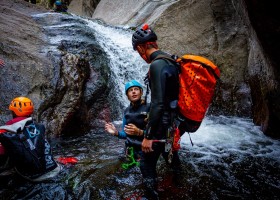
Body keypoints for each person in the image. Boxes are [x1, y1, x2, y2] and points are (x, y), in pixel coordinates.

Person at [132, 24, 201, 199]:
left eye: (138, 50)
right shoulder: (171, 61)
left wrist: (148, 137)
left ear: (142, 47)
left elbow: (157, 104)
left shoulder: (156, 65)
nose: (139, 55)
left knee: (146, 165)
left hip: (160, 127)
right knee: (170, 157)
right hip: (172, 124)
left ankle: (152, 196)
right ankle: (179, 188)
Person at [0, 97, 60, 182]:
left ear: (14, 112)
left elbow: (1, 153)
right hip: (54, 168)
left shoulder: (5, 131)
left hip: (33, 176)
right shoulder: (39, 126)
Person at [104, 80, 150, 168]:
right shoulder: (126, 111)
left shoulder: (149, 108)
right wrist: (115, 133)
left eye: (136, 89)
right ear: (127, 96)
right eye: (130, 90)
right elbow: (125, 135)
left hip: (145, 149)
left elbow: (157, 133)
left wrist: (140, 132)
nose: (133, 91)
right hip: (130, 150)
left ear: (141, 92)